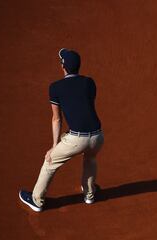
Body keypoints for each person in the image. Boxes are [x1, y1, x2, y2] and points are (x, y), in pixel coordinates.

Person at [19, 48, 105, 212]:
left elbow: (57, 118)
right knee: (90, 160)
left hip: (76, 140)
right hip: (97, 137)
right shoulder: (89, 82)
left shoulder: (55, 88)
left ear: (63, 66)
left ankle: (37, 200)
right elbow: (85, 106)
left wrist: (54, 145)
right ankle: (89, 195)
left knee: (50, 162)